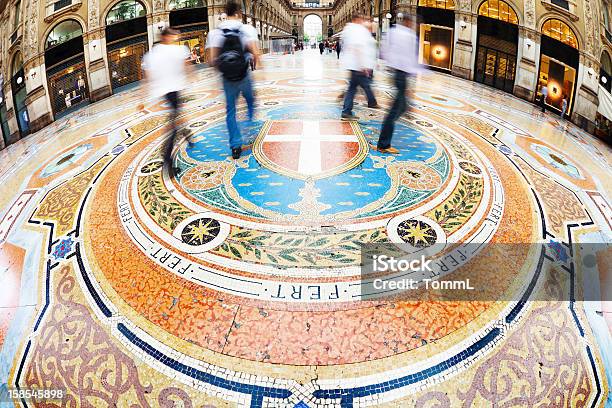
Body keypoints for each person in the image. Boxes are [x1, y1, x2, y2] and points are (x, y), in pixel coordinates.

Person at [206, 1, 260, 159]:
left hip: (227, 78)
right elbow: (256, 53)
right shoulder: (247, 29)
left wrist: (225, 71)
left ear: (225, 13)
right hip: (244, 75)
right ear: (239, 13)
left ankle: (235, 146)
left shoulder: (215, 33)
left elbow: (211, 60)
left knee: (230, 111)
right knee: (250, 99)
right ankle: (250, 122)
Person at [141, 27, 192, 172]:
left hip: (165, 91)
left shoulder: (151, 54)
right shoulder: (177, 50)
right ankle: (167, 158)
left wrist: (143, 97)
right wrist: (190, 76)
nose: (176, 38)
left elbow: (147, 77)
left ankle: (187, 134)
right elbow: (187, 66)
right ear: (167, 36)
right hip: (173, 89)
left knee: (176, 115)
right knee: (173, 126)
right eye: (174, 36)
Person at [376, 14, 419, 154]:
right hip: (402, 74)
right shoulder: (410, 36)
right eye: (413, 23)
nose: (414, 25)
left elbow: (384, 51)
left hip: (396, 73)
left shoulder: (393, 31)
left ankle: (388, 126)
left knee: (403, 106)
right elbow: (411, 59)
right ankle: (383, 144)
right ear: (408, 22)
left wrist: (390, 65)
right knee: (394, 110)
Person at [340, 13, 379, 121]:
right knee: (360, 86)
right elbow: (357, 48)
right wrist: (362, 65)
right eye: (361, 19)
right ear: (357, 20)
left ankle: (347, 111)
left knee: (352, 88)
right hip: (358, 66)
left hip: (352, 65)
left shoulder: (348, 29)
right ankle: (347, 111)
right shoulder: (356, 30)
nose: (363, 21)